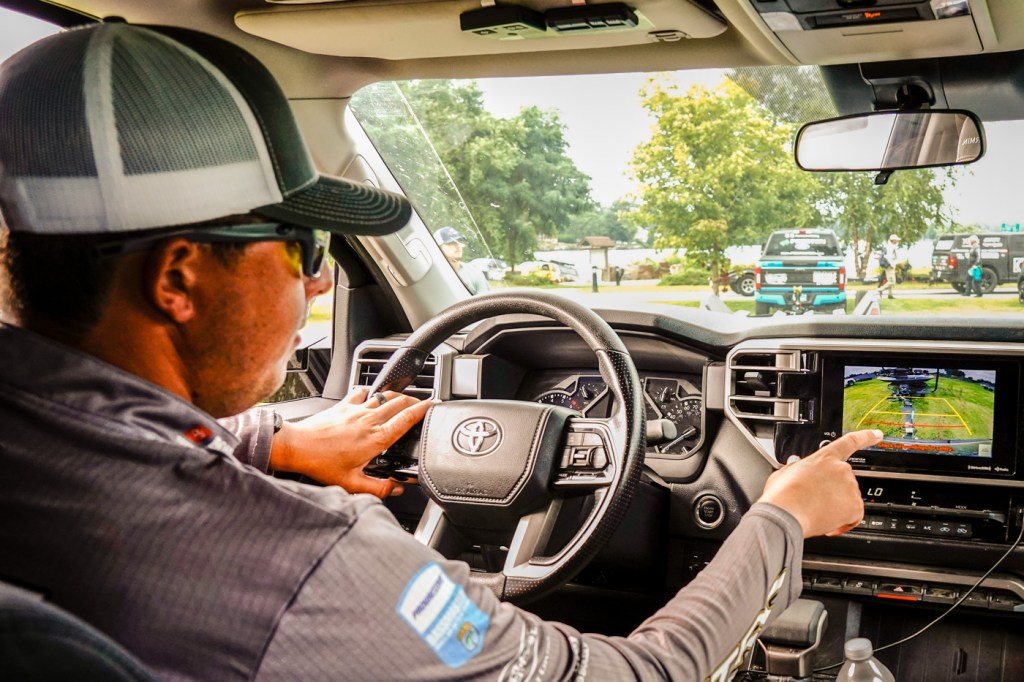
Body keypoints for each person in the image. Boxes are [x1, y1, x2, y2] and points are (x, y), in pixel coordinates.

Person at [0, 23, 879, 681]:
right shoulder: (310, 565)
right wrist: (781, 519)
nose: (318, 283)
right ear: (179, 279)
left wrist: (272, 440)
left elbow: (121, 441)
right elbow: (645, 673)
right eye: (304, 247)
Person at [434, 225, 489, 294]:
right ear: (438, 248)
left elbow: (487, 300)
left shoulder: (475, 273)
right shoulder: (434, 276)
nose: (458, 245)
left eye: (459, 241)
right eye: (451, 243)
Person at [876, 233, 900, 299]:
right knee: (892, 282)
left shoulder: (889, 246)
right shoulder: (890, 247)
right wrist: (892, 265)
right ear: (893, 240)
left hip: (888, 266)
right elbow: (888, 257)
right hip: (889, 266)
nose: (897, 241)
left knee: (891, 281)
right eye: (896, 240)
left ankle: (890, 295)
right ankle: (880, 289)